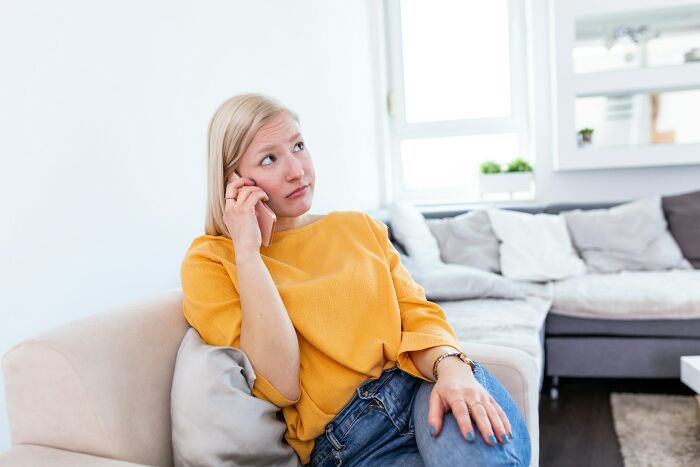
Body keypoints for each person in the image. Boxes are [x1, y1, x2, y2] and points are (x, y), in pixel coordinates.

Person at [180, 93, 531, 466]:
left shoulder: (360, 227)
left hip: (426, 383)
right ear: (232, 179)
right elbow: (280, 384)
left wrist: (453, 367)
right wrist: (248, 251)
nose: (297, 170)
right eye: (270, 158)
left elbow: (418, 315)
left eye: (298, 146)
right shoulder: (212, 261)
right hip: (352, 441)